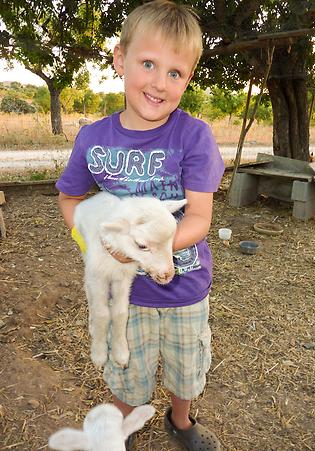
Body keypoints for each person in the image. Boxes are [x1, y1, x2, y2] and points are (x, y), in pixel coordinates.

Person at [56, 1, 225, 449]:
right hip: (124, 292)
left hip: (185, 286)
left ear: (187, 80)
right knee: (126, 370)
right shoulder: (94, 139)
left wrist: (151, 250)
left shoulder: (193, 136)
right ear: (120, 59)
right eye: (148, 63)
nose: (159, 82)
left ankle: (181, 420)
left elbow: (200, 217)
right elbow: (70, 198)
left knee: (186, 367)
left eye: (175, 73)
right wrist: (91, 242)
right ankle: (123, 426)